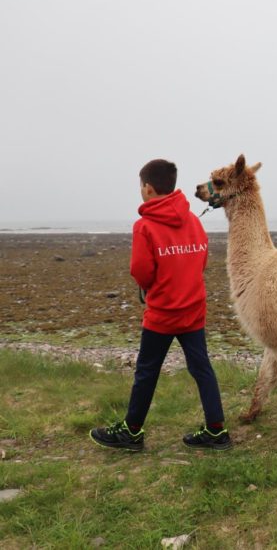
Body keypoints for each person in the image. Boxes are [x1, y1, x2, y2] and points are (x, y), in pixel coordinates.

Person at [90, 159, 232, 451]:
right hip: (194, 309)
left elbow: (141, 271)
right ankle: (217, 430)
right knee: (201, 367)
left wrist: (151, 287)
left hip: (163, 314)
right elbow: (201, 260)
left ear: (148, 188)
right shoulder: (193, 221)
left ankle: (131, 432)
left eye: (141, 186)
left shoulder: (145, 226)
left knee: (147, 370)